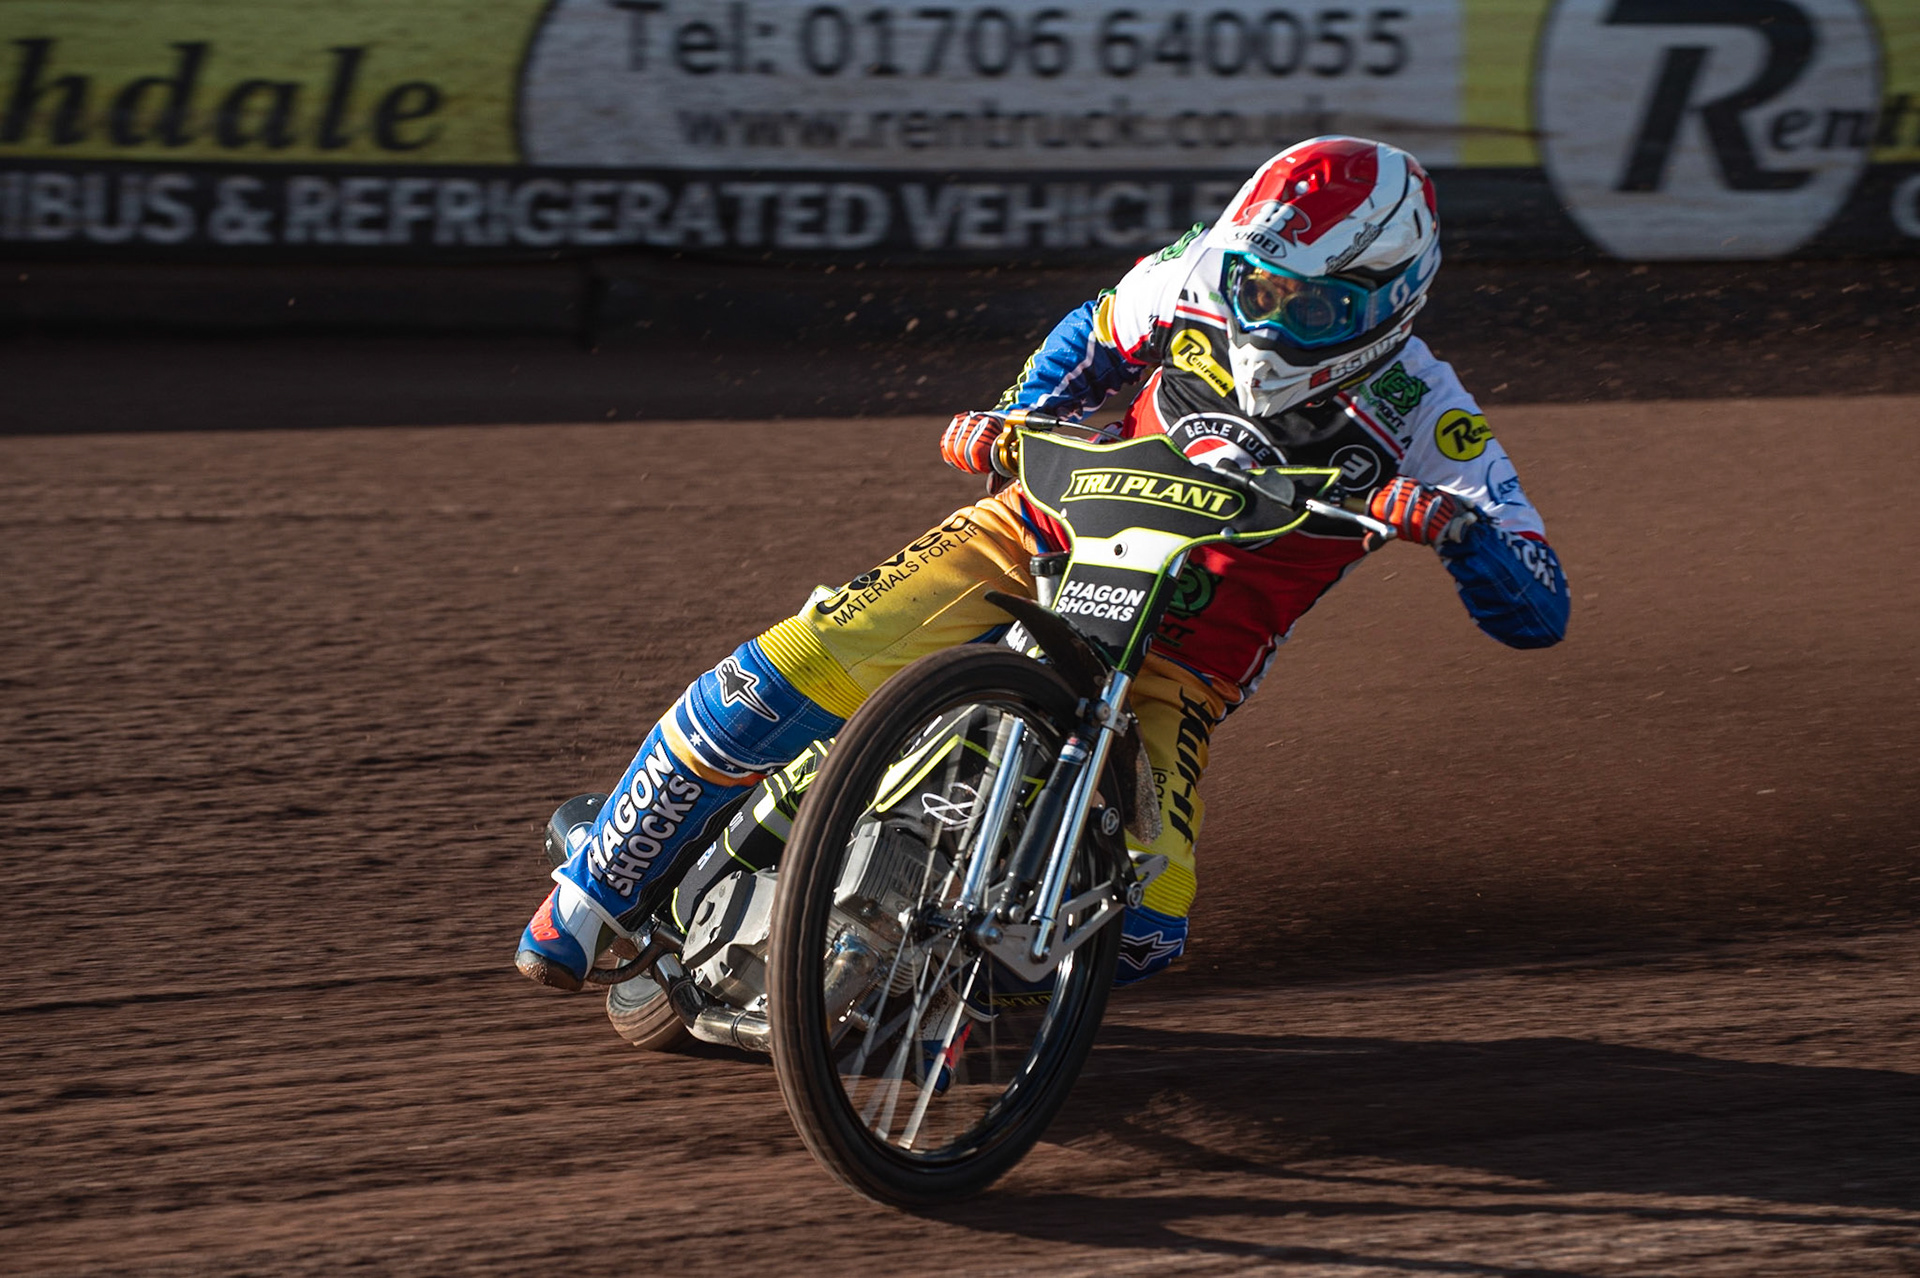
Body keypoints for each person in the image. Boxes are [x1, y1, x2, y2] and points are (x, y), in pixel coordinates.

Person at [515, 135, 1569, 992]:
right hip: (1038, 534)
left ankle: (961, 983)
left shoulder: (1428, 414)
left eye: (1314, 307)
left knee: (1147, 931)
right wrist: (1022, 415)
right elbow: (1092, 335)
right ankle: (596, 886)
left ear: (1394, 297)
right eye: (1255, 286)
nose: (1267, 319)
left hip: (1179, 662)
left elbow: (1541, 604)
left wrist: (1460, 531)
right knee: (795, 662)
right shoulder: (1196, 268)